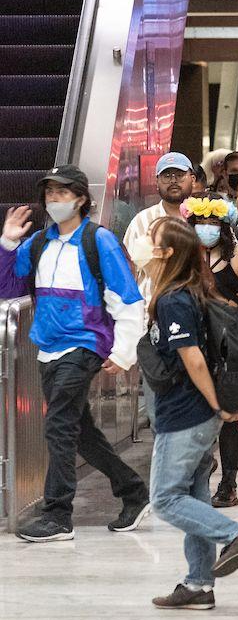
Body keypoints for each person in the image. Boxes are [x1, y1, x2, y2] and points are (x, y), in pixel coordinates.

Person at [0, 165, 150, 543]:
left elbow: (128, 300)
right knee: (81, 433)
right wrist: (7, 243)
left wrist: (124, 351)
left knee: (58, 426)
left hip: (84, 345)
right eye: (49, 193)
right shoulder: (38, 243)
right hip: (47, 348)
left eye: (62, 193)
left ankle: (58, 514)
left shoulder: (100, 242)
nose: (54, 200)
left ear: (81, 198)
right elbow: (7, 287)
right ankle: (133, 491)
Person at [142, 217, 238, 609]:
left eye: (155, 244)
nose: (149, 250)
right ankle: (198, 584)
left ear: (171, 254)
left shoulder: (174, 299)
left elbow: (194, 360)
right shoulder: (193, 292)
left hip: (186, 413)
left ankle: (236, 535)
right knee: (193, 494)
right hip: (195, 412)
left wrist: (217, 404)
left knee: (164, 498)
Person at [182, 194, 238, 509]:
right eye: (200, 222)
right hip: (195, 339)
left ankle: (229, 484)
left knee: (231, 414)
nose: (206, 228)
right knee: (197, 412)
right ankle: (199, 480)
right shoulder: (184, 256)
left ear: (223, 225)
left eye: (212, 222)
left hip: (232, 343)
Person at [125, 152, 195, 429]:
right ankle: (167, 451)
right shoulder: (142, 222)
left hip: (197, 314)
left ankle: (197, 456)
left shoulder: (206, 216)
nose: (173, 180)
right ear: (157, 181)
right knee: (158, 397)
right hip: (153, 321)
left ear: (192, 178)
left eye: (179, 174)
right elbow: (130, 273)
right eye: (167, 175)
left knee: (198, 386)